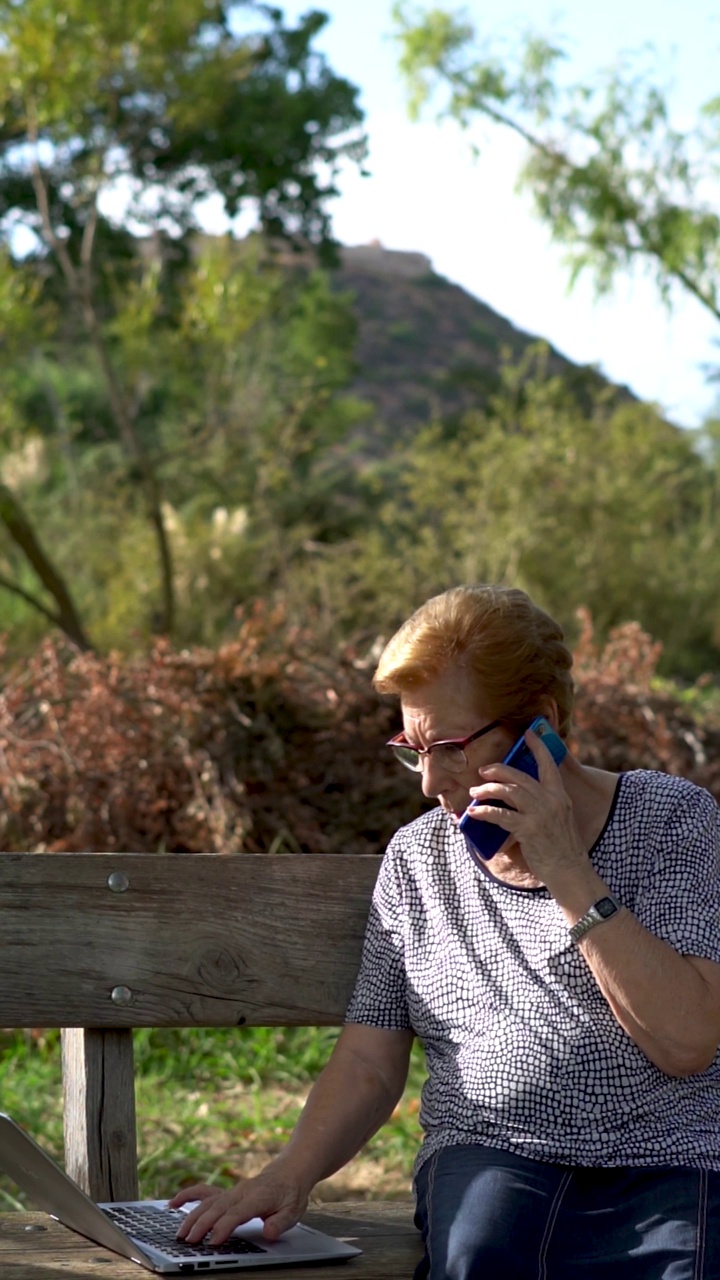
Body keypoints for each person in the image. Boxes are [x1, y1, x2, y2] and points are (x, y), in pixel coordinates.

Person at [170, 584, 720, 1278]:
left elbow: (689, 1040)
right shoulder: (418, 861)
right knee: (479, 1258)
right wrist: (288, 1176)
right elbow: (370, 1061)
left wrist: (566, 870)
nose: (430, 782)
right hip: (494, 1154)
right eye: (413, 747)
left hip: (671, 1161)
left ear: (540, 724)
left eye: (451, 746)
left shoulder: (671, 820)